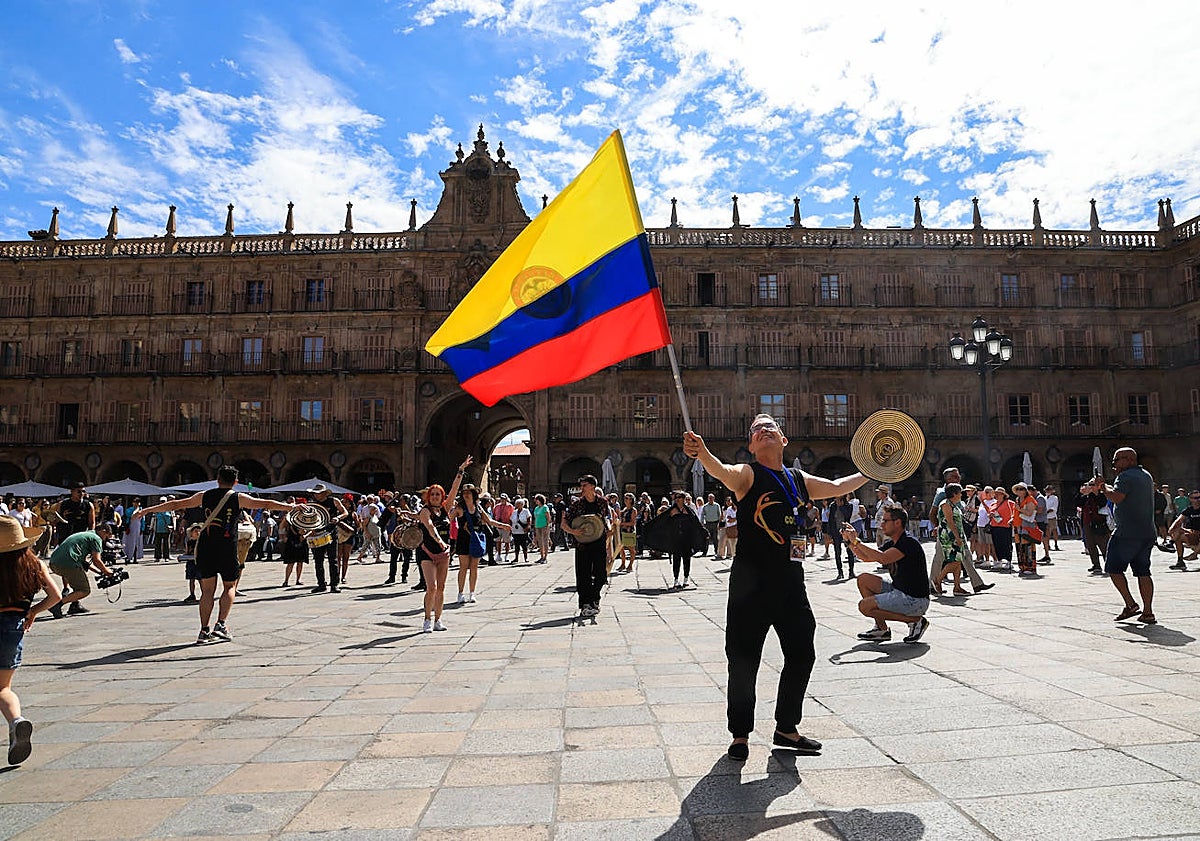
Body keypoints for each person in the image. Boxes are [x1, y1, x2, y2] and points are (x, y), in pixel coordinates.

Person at [684, 413, 868, 762]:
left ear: (783, 440)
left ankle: (787, 727)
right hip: (749, 586)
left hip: (790, 584)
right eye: (756, 430)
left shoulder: (799, 480)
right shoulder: (748, 474)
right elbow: (721, 471)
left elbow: (836, 487)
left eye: (771, 427)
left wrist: (873, 472)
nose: (764, 430)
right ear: (752, 446)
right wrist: (703, 453)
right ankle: (740, 734)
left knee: (802, 654)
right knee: (742, 660)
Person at [135, 466, 295, 643]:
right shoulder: (238, 497)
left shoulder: (204, 495)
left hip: (206, 547)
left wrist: (147, 510)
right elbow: (266, 504)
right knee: (229, 587)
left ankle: (204, 630)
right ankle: (221, 624)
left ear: (218, 479)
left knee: (207, 591)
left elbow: (176, 504)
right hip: (227, 547)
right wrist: (290, 507)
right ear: (236, 482)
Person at [0, 518, 62, 765]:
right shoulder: (33, 562)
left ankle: (16, 726)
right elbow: (56, 596)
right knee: (3, 687)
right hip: (14, 626)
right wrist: (33, 611)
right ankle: (16, 722)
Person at [845, 506, 930, 643]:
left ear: (897, 523)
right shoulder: (893, 543)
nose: (881, 524)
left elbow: (883, 558)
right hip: (900, 589)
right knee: (864, 579)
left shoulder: (908, 542)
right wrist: (849, 541)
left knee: (865, 606)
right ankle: (881, 628)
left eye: (885, 521)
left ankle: (915, 620)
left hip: (915, 600)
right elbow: (866, 557)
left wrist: (857, 541)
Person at [1098, 447, 1157, 624]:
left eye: (1116, 460)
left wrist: (1102, 488)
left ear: (1128, 459)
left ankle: (1130, 604)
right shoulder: (1146, 475)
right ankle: (1148, 612)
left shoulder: (1124, 477)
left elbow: (1116, 497)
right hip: (1147, 532)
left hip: (1126, 533)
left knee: (1113, 569)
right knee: (1143, 571)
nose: (1114, 464)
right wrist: (1107, 486)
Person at [418, 458, 469, 632]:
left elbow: (454, 489)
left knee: (441, 587)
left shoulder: (446, 509)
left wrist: (460, 470)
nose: (434, 497)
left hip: (444, 554)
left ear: (442, 497)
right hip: (427, 552)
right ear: (428, 496)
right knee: (431, 587)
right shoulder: (425, 511)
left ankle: (438, 619)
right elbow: (431, 528)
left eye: (437, 494)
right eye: (432, 494)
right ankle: (427, 619)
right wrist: (439, 541)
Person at [561, 475, 612, 617]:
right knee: (583, 576)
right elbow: (564, 523)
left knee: (601, 575)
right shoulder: (577, 504)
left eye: (584, 485)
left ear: (592, 487)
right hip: (582, 544)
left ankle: (595, 598)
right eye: (581, 486)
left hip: (599, 542)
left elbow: (606, 518)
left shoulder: (602, 502)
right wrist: (573, 531)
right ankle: (585, 604)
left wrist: (609, 528)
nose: (581, 488)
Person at [453, 484, 510, 604]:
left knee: (474, 567)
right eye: (464, 493)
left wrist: (503, 526)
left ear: (474, 495)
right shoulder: (459, 508)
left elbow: (489, 521)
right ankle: (460, 593)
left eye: (469, 492)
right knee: (463, 567)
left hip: (476, 540)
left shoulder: (478, 508)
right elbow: (447, 519)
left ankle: (472, 593)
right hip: (463, 540)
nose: (466, 495)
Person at [47, 523, 116, 618]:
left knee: (78, 583)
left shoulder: (86, 534)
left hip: (54, 563)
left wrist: (100, 572)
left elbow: (85, 563)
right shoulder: (96, 538)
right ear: (103, 531)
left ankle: (74, 605)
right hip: (68, 564)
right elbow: (96, 560)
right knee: (84, 590)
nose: (105, 540)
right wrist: (107, 572)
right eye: (106, 537)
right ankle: (57, 605)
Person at [933, 483, 968, 595]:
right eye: (960, 492)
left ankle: (957, 587)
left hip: (956, 534)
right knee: (954, 560)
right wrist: (957, 537)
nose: (961, 494)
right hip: (949, 536)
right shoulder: (946, 504)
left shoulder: (954, 504)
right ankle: (937, 580)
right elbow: (950, 522)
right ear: (954, 493)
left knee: (957, 561)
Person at [1076, 478, 1111, 574]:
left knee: (1103, 545)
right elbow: (1078, 503)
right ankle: (1096, 565)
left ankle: (1109, 565)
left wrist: (1096, 493)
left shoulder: (1102, 495)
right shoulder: (1087, 496)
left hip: (1099, 523)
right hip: (1087, 523)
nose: (1090, 486)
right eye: (1089, 484)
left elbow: (1102, 503)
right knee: (1091, 545)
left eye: (1092, 484)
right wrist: (1081, 493)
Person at [1012, 484, 1040, 577]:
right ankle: (1022, 566)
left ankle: (1029, 567)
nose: (1019, 491)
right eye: (1017, 489)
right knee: (1019, 547)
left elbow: (1029, 513)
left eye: (1021, 489)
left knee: (1027, 546)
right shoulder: (1017, 499)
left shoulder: (1030, 499)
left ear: (1025, 490)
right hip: (1017, 525)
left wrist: (1019, 509)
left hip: (1026, 526)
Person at [1168, 490, 1200, 570]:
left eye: (1199, 497)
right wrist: (1171, 528)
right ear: (1190, 499)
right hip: (1195, 535)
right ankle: (1180, 562)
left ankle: (1194, 554)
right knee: (1178, 531)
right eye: (1195, 498)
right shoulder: (1189, 509)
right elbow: (1179, 520)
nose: (1198, 500)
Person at [278, 517, 308, 586]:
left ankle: (298, 580)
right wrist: (282, 537)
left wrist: (305, 535)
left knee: (300, 562)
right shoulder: (289, 518)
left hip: (301, 540)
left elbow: (310, 529)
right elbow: (281, 526)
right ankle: (286, 580)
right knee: (290, 562)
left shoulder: (305, 517)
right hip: (291, 540)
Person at [532, 494, 553, 564]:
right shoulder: (536, 508)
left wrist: (548, 526)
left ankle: (545, 557)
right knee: (540, 542)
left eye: (536, 499)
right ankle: (541, 556)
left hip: (544, 526)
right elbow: (535, 518)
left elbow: (548, 517)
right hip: (538, 526)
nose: (535, 501)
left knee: (545, 541)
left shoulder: (545, 507)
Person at [123, 498, 144, 563]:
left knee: (137, 543)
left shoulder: (142, 510)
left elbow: (143, 520)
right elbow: (128, 515)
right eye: (135, 502)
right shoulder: (129, 509)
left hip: (138, 526)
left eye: (138, 502)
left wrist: (142, 529)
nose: (136, 503)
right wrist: (135, 510)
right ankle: (129, 557)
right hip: (131, 527)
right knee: (130, 543)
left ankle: (135, 557)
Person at [718, 495, 738, 560]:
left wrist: (734, 519)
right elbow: (728, 519)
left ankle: (730, 554)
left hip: (736, 527)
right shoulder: (726, 509)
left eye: (730, 500)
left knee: (732, 543)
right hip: (727, 526)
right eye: (727, 501)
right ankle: (721, 553)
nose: (729, 502)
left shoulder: (738, 508)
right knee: (723, 540)